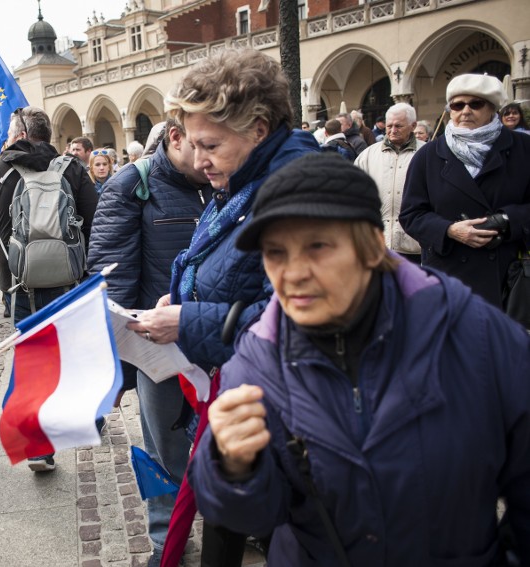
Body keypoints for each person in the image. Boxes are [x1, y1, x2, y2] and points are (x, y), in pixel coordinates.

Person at [190, 152, 530, 566]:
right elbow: (251, 516)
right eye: (275, 252)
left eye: (317, 247)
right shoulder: (256, 364)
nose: (292, 273)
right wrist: (232, 468)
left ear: (372, 248)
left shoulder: (476, 335)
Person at [125, 47, 319, 566]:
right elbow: (231, 271)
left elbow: (303, 318)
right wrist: (182, 297)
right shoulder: (241, 179)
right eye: (192, 144)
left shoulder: (295, 190)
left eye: (210, 144)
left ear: (257, 129)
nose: (199, 158)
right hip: (239, 391)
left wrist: (189, 320)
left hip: (284, 407)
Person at [87, 118, 212, 566]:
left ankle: (240, 525)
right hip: (158, 348)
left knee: (232, 443)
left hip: (218, 338)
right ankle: (167, 538)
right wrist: (120, 359)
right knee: (165, 450)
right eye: (202, 146)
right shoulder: (133, 186)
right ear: (175, 139)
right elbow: (109, 278)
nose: (210, 159)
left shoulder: (227, 180)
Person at [0, 106, 98, 472]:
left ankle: (40, 449)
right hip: (71, 282)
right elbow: (96, 218)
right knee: (74, 353)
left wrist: (10, 258)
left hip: (22, 286)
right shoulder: (71, 168)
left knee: (33, 362)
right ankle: (89, 417)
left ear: (22, 134)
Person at [400, 73, 530, 308]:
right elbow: (411, 215)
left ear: (492, 108)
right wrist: (449, 230)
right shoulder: (428, 155)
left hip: (507, 280)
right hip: (447, 277)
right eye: (457, 105)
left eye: (475, 104)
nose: (465, 111)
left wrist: (507, 220)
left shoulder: (523, 149)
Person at [354, 103, 424, 263]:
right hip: (377, 242)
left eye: (399, 126)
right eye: (389, 126)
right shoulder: (368, 155)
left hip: (414, 244)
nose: (393, 130)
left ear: (413, 126)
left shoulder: (426, 154)